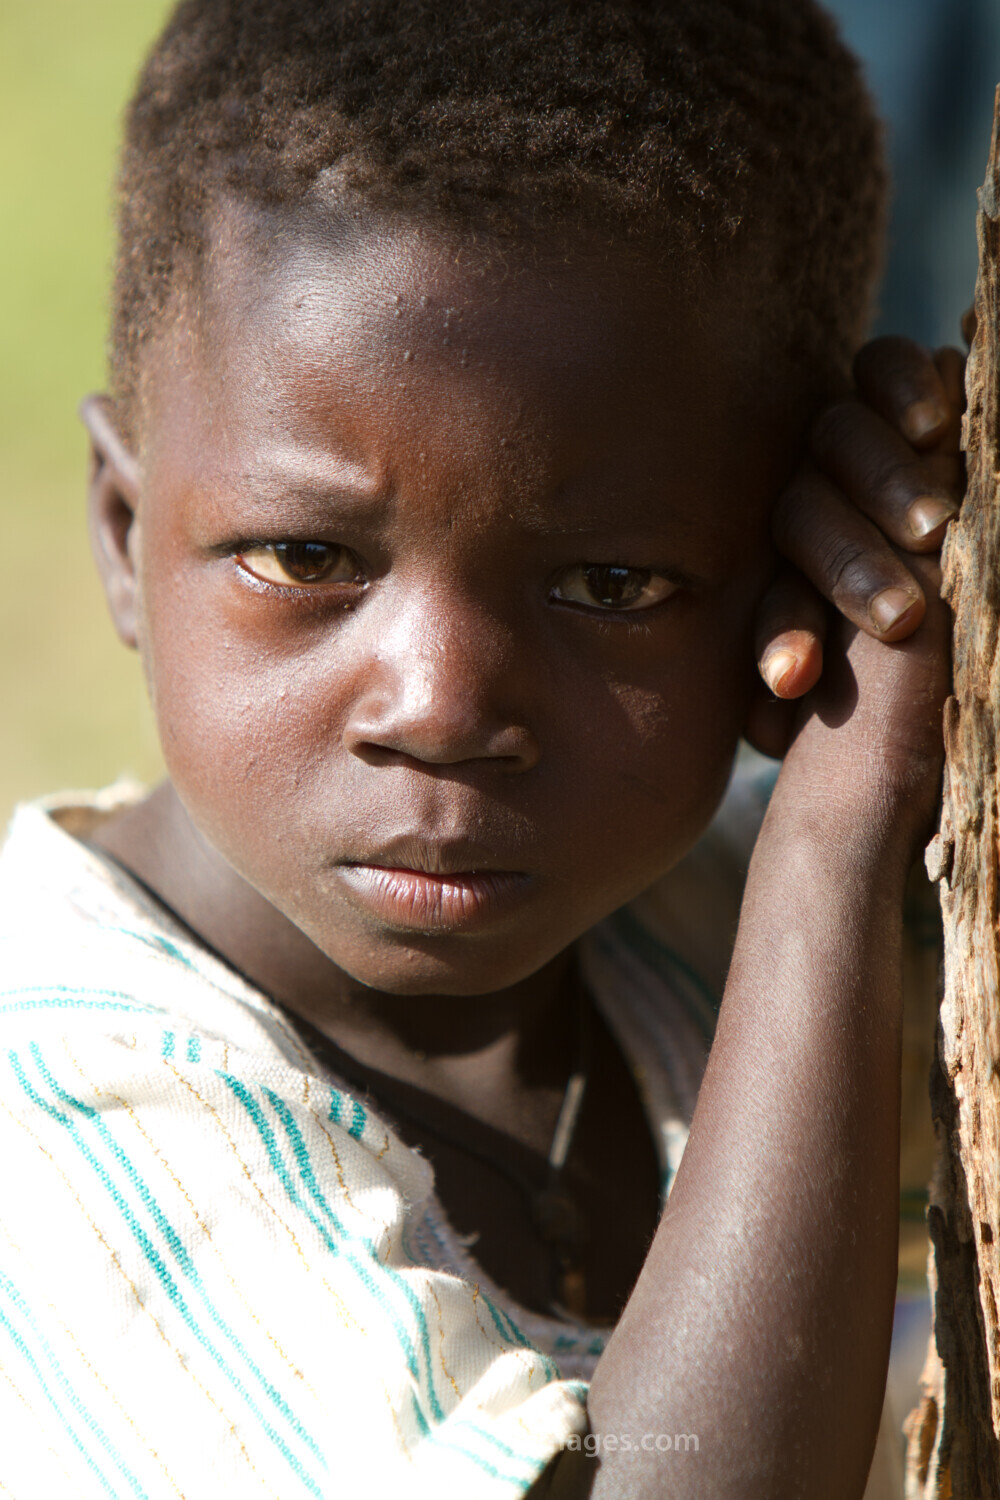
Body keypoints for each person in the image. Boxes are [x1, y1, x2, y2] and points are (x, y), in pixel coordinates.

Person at [0, 1, 967, 1495]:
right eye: (307, 556)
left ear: (790, 563)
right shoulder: (70, 1124)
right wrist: (834, 837)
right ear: (128, 538)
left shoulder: (670, 935)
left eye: (609, 584)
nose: (443, 708)